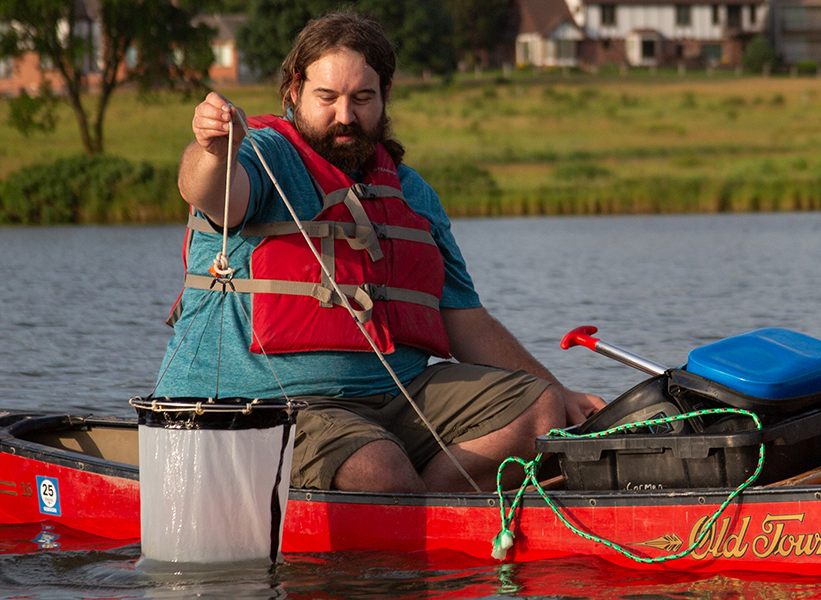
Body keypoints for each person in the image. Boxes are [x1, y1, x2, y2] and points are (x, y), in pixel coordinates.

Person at [159, 11, 604, 493]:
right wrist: (213, 149)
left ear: (386, 95)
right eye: (327, 98)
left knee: (538, 410)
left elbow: (466, 322)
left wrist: (560, 391)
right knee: (378, 467)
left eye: (362, 98)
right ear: (293, 91)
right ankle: (411, 513)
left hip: (397, 399)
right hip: (274, 406)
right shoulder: (263, 157)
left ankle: (429, 521)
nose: (345, 116)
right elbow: (205, 189)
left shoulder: (412, 194)